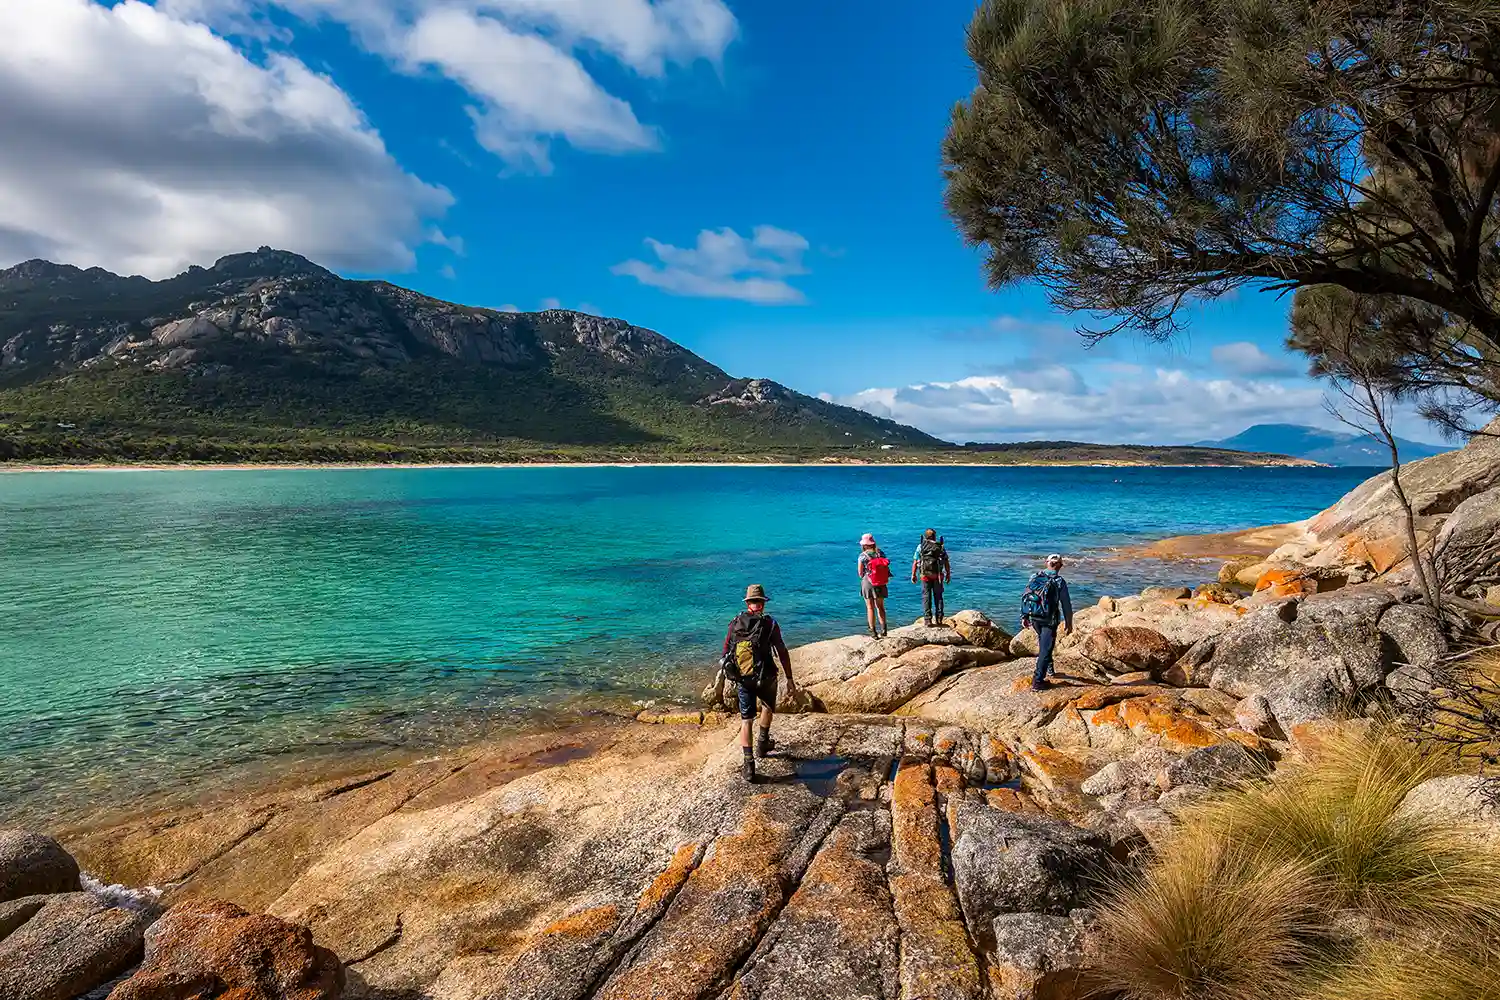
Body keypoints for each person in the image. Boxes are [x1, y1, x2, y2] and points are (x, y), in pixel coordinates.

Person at [722, 584, 796, 783]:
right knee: (767, 706)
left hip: (744, 679)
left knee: (746, 721)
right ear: (762, 603)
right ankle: (762, 744)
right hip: (766, 676)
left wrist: (726, 679)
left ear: (748, 603)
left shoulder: (735, 622)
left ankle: (749, 765)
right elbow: (781, 651)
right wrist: (789, 678)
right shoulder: (770, 624)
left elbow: (725, 653)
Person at [1022, 553, 1074, 691]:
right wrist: (1069, 623)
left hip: (1035, 617)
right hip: (1049, 620)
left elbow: (1027, 596)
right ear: (1060, 566)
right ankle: (1038, 681)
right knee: (1045, 649)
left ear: (1046, 562)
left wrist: (1025, 616)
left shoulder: (1034, 576)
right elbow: (1066, 605)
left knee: (1044, 643)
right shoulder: (1059, 582)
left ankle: (1049, 668)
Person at [911, 529, 951, 626]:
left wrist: (913, 574)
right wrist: (948, 573)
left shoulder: (921, 546)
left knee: (926, 597)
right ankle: (939, 618)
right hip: (937, 575)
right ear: (934, 537)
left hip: (925, 575)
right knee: (939, 597)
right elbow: (946, 561)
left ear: (925, 537)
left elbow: (915, 562)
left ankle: (928, 620)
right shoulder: (940, 547)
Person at [857, 533, 891, 638]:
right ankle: (884, 630)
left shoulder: (863, 556)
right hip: (881, 582)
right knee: (880, 607)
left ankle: (873, 632)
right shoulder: (881, 553)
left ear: (865, 545)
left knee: (870, 607)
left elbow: (860, 573)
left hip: (868, 582)